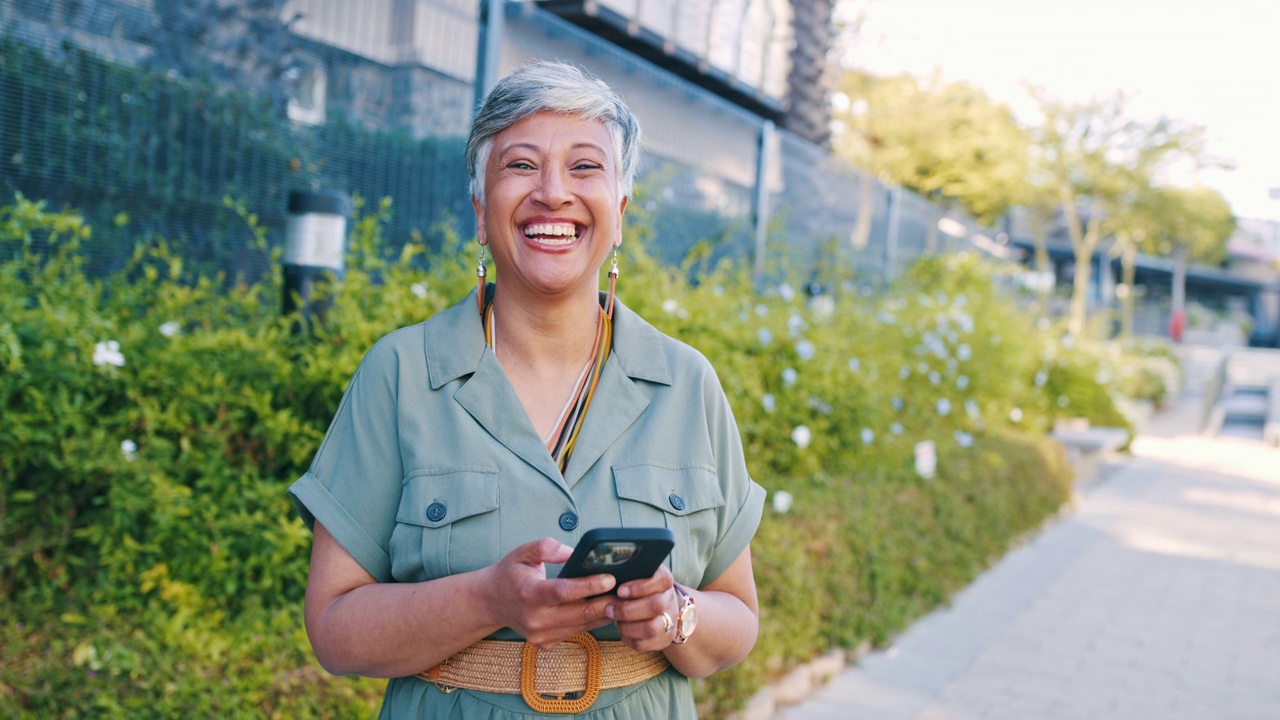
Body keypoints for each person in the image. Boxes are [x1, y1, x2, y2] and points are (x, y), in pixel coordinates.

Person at [289, 60, 766, 718]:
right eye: (520, 165)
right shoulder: (399, 375)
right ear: (482, 212)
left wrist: (675, 613)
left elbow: (737, 618)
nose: (553, 192)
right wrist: (487, 598)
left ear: (619, 214)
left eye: (584, 167)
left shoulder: (687, 384)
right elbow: (335, 630)